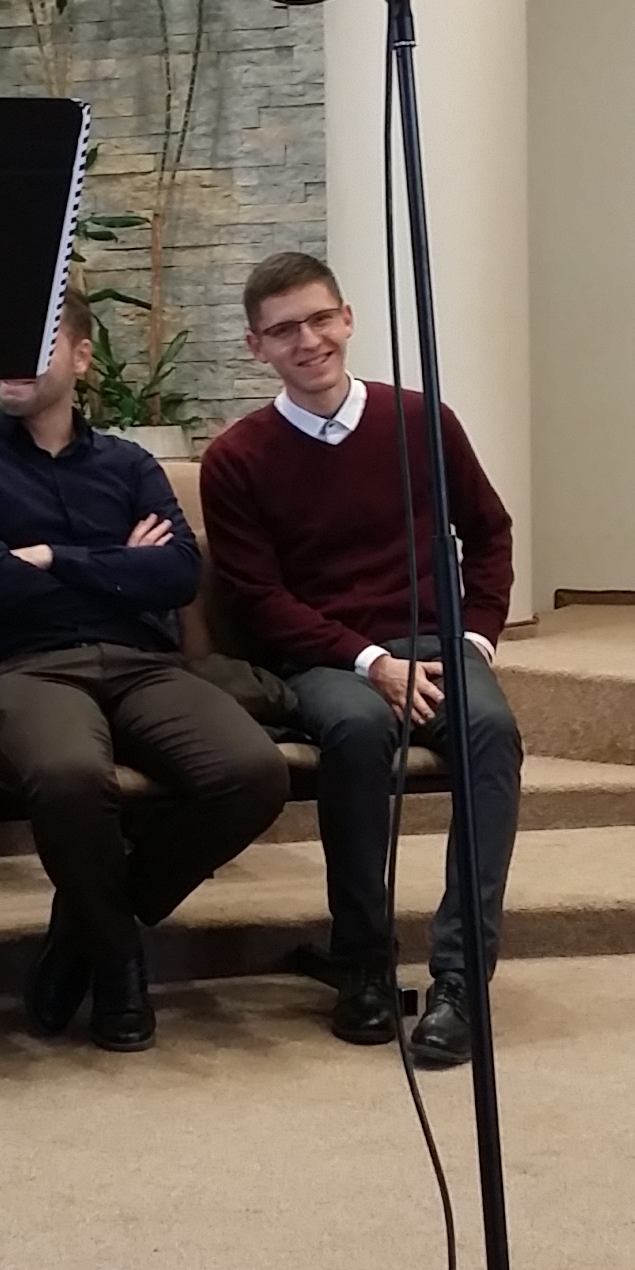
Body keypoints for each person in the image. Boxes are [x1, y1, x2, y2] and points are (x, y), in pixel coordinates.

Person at [0, 295, 285, 1051]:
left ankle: (85, 930)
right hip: (18, 669)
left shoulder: (128, 463)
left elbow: (176, 574)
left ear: (82, 359)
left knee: (252, 773)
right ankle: (117, 965)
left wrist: (53, 557)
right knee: (71, 777)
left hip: (142, 665)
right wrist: (119, 566)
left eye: (36, 343)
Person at [200, 253, 520, 1068]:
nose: (308, 341)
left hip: (436, 645)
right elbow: (258, 597)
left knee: (490, 732)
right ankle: (364, 963)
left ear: (347, 319)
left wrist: (477, 637)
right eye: (283, 330)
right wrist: (369, 659)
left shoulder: (422, 420)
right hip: (323, 654)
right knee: (355, 731)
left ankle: (460, 982)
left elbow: (488, 532)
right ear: (256, 347)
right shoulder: (237, 456)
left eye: (320, 320)